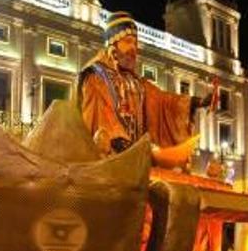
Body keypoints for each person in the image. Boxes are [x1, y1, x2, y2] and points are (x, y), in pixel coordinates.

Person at [78, 11, 210, 157]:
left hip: (136, 156)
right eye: (128, 42)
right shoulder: (96, 75)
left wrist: (195, 102)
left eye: (135, 43)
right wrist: (118, 141)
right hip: (109, 156)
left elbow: (164, 101)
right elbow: (101, 117)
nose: (134, 48)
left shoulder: (138, 84)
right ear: (113, 45)